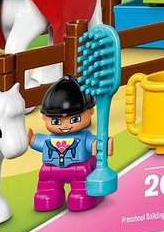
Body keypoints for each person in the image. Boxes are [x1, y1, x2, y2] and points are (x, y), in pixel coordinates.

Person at [28, 76, 113, 212]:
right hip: (51, 171)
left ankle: (84, 193)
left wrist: (102, 144)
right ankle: (50, 193)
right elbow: (41, 143)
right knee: (46, 186)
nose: (65, 125)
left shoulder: (85, 138)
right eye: (57, 121)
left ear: (91, 111)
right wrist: (31, 139)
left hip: (79, 170)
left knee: (81, 190)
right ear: (44, 117)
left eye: (74, 119)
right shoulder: (49, 139)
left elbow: (96, 143)